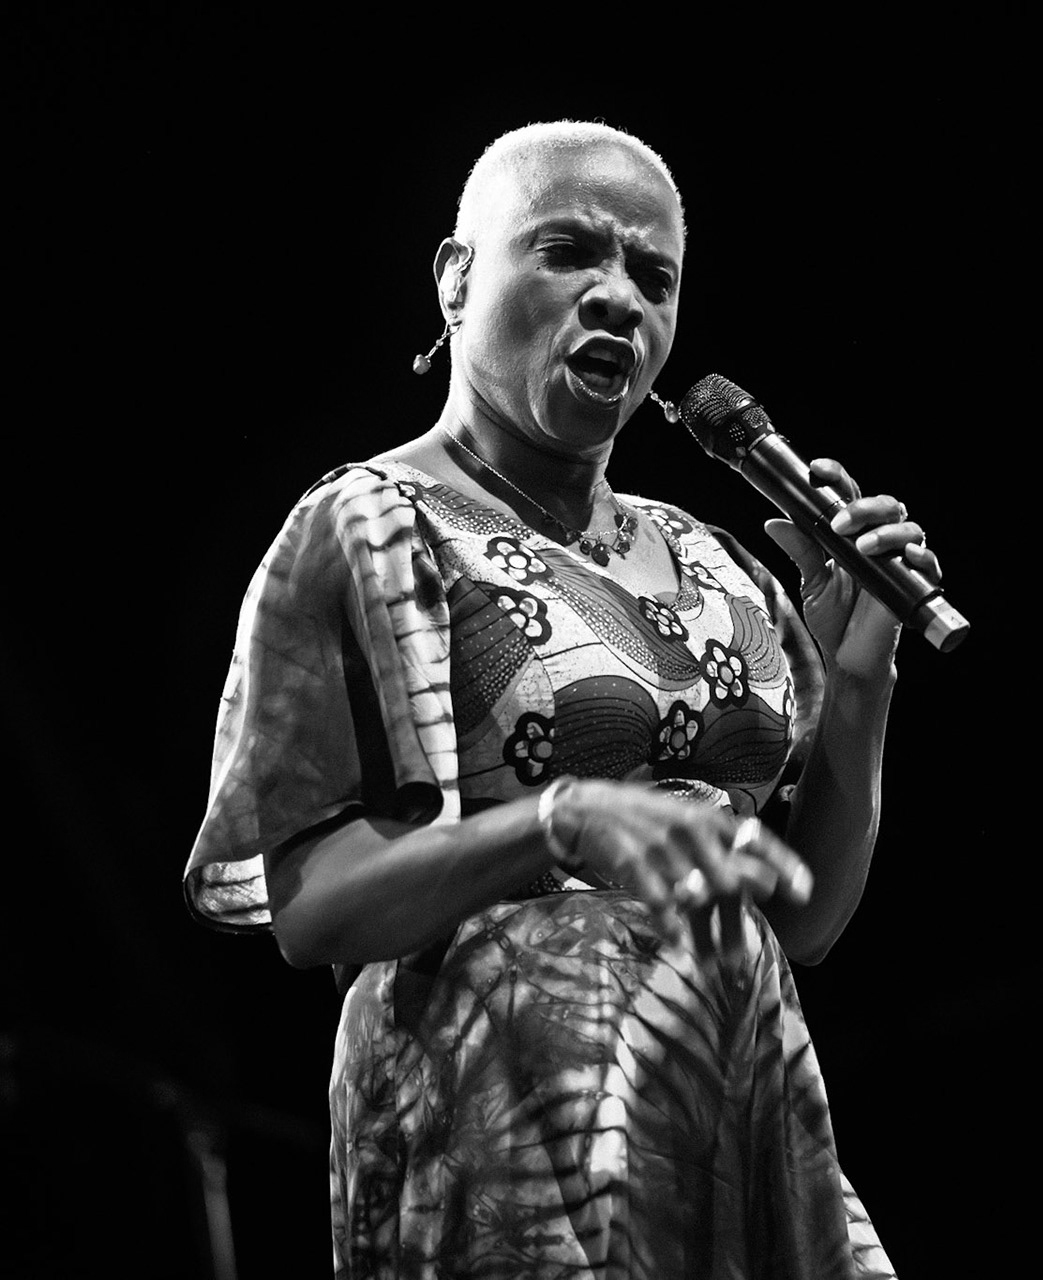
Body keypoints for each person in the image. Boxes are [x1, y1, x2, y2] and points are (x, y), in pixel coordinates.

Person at [181, 119, 929, 1278]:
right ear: (456, 277)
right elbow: (314, 908)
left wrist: (864, 669)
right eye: (568, 250)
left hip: (729, 1097)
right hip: (500, 1112)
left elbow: (807, 919)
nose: (619, 296)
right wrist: (559, 820)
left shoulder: (715, 563)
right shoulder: (373, 527)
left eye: (654, 276)